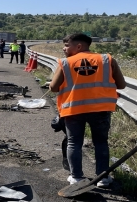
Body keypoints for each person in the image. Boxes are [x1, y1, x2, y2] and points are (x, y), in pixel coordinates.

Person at [49, 33, 126, 188]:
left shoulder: (65, 63)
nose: (64, 49)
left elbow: (53, 88)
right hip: (101, 109)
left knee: (74, 143)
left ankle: (76, 178)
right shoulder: (107, 60)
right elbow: (122, 85)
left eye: (66, 45)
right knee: (101, 142)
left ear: (79, 46)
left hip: (74, 110)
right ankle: (103, 178)